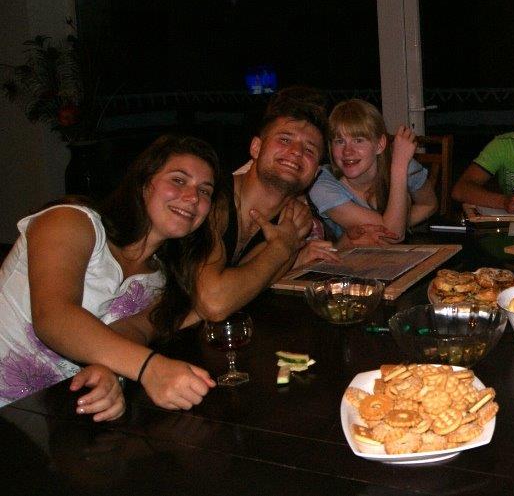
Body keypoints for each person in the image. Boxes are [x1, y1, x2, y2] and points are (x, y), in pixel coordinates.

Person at [0, 135, 224, 414]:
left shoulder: (162, 281)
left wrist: (110, 373)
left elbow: (134, 332)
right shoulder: (71, 221)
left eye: (204, 191)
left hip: (51, 416)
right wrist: (149, 368)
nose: (192, 197)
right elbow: (53, 316)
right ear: (143, 183)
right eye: (178, 180)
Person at [194, 86, 341, 323]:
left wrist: (291, 258)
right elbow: (215, 303)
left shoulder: (294, 221)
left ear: (315, 173)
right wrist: (283, 248)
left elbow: (243, 287)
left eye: (309, 150)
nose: (296, 152)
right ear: (256, 148)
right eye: (285, 139)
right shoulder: (211, 198)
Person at [308, 99, 437, 243]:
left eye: (358, 140)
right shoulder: (322, 184)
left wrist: (400, 221)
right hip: (344, 256)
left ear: (380, 144)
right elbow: (392, 235)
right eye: (339, 141)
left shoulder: (401, 162)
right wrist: (399, 167)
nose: (347, 151)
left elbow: (429, 205)